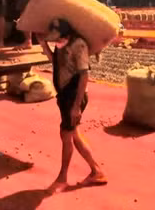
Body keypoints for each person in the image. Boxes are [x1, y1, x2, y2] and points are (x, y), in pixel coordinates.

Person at [37, 19, 106, 193]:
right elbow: (57, 63)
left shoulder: (79, 45)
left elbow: (84, 76)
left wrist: (76, 106)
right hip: (64, 96)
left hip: (75, 96)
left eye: (56, 37)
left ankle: (62, 178)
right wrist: (43, 45)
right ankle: (96, 171)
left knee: (66, 134)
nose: (55, 41)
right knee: (73, 134)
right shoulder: (60, 45)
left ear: (66, 33)